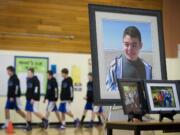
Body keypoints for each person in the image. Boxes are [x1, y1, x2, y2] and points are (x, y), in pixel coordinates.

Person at [106, 26, 152, 91]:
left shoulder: (147, 68)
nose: (130, 49)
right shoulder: (115, 66)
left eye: (134, 45)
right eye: (126, 44)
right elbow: (108, 89)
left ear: (141, 45)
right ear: (123, 45)